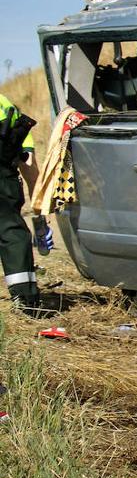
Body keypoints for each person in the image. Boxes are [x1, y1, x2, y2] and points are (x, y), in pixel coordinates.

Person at [0, 92, 47, 313]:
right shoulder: (4, 104)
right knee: (11, 232)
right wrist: (39, 212)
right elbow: (27, 161)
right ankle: (25, 301)